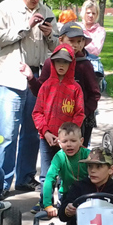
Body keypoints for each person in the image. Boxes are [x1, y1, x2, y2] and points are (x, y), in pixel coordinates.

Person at [0, 0, 57, 195]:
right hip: (11, 78)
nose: (36, 0)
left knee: (32, 132)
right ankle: (0, 183)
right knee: (8, 134)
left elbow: (56, 46)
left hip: (37, 79)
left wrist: (49, 35)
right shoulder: (6, 8)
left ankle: (26, 177)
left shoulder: (45, 12)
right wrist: (25, 26)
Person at [31, 43, 85, 212]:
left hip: (67, 142)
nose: (61, 65)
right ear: (52, 63)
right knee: (47, 174)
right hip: (47, 139)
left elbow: (79, 113)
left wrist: (68, 138)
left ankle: (66, 203)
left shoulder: (75, 89)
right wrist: (45, 132)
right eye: (57, 61)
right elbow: (37, 112)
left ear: (72, 64)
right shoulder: (46, 86)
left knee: (67, 172)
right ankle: (44, 202)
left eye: (66, 62)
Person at [28, 22, 100, 147]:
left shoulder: (85, 65)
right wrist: (31, 79)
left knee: (76, 160)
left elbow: (94, 94)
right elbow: (40, 91)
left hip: (80, 122)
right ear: (61, 40)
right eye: (71, 41)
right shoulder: (50, 63)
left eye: (80, 41)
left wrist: (82, 114)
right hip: (52, 124)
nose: (76, 45)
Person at [41, 121, 90, 218]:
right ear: (59, 143)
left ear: (81, 141)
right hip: (67, 194)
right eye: (64, 141)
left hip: (87, 193)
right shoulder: (59, 157)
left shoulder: (87, 154)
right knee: (70, 218)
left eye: (73, 141)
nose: (69, 144)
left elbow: (101, 170)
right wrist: (48, 205)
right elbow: (49, 179)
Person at [81, 0, 107, 93]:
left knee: (91, 97)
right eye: (88, 13)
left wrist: (79, 45)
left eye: (93, 13)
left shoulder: (100, 31)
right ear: (83, 13)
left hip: (92, 68)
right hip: (76, 65)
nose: (91, 15)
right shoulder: (77, 27)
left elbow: (95, 50)